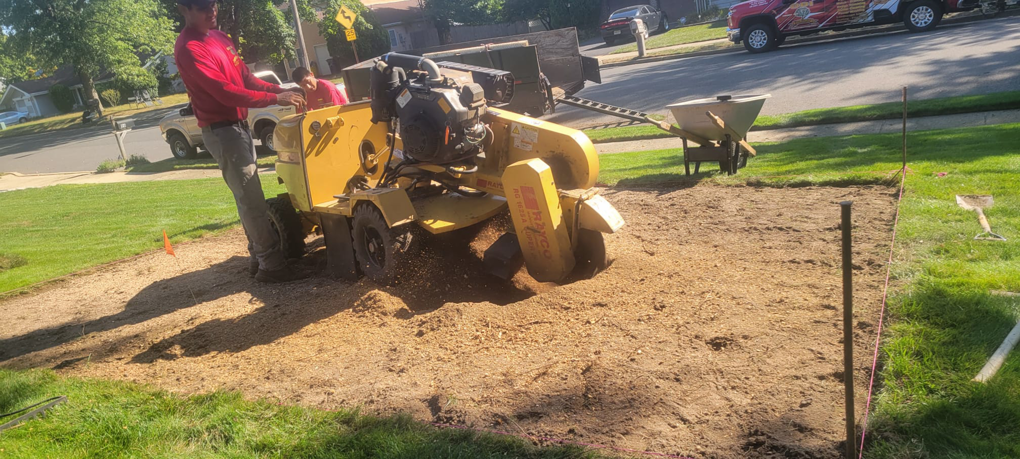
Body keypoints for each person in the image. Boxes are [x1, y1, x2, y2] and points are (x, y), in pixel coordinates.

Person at [174, 0, 307, 283]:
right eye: (201, 7)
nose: (211, 11)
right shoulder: (189, 48)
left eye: (213, 4)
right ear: (183, 9)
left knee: (248, 200)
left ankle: (259, 258)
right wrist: (276, 99)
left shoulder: (221, 38)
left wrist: (282, 89)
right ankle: (272, 267)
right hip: (222, 132)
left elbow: (245, 78)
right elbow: (226, 92)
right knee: (252, 202)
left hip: (240, 127)